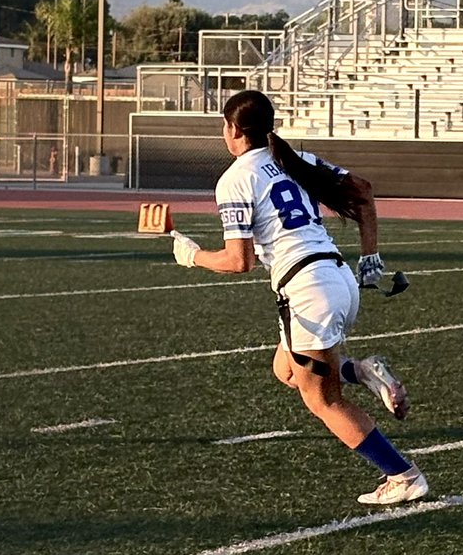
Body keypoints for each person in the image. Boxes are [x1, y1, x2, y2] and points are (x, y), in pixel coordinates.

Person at [169, 89, 429, 506]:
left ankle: (402, 475)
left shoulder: (236, 178)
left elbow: (240, 261)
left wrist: (193, 256)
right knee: (286, 371)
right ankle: (362, 371)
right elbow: (362, 189)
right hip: (336, 276)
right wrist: (371, 255)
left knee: (323, 400)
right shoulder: (295, 159)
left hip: (308, 291)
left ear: (232, 129)